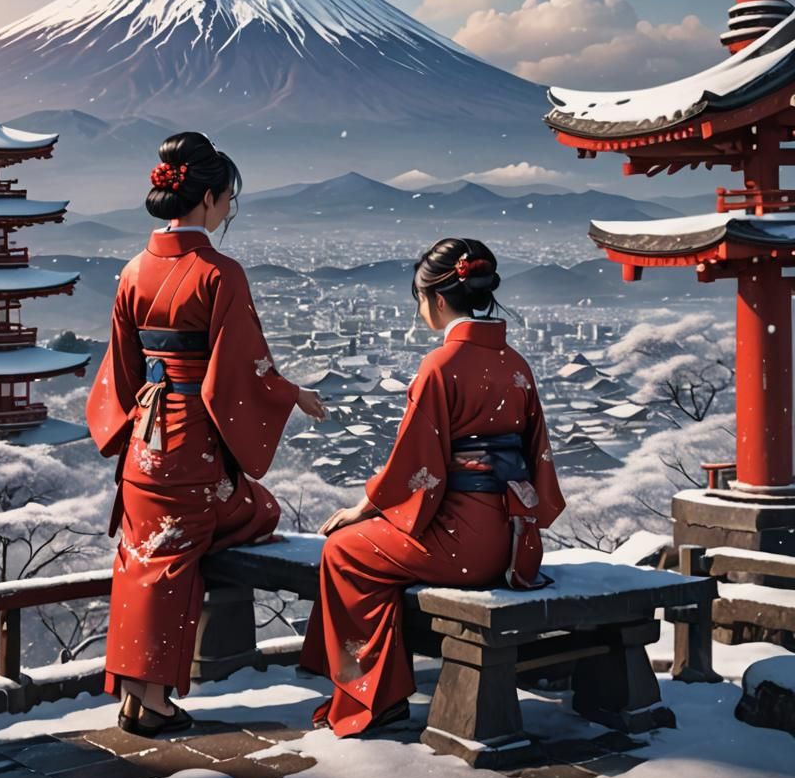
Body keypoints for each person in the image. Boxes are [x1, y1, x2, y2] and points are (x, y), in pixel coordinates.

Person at [86, 131, 326, 738]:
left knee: (144, 558)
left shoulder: (133, 270)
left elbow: (119, 367)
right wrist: (290, 393)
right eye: (228, 201)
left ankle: (136, 693)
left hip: (144, 440)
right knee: (247, 518)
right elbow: (241, 372)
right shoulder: (220, 272)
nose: (226, 212)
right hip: (192, 444)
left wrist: (129, 424)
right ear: (212, 198)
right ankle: (157, 700)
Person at [298, 237, 565, 737]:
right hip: (513, 541)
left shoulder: (441, 366)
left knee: (344, 551)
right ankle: (375, 686)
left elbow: (417, 464)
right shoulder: (516, 365)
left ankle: (374, 695)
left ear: (437, 300)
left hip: (462, 542)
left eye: (420, 300)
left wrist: (367, 506)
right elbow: (538, 458)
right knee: (368, 553)